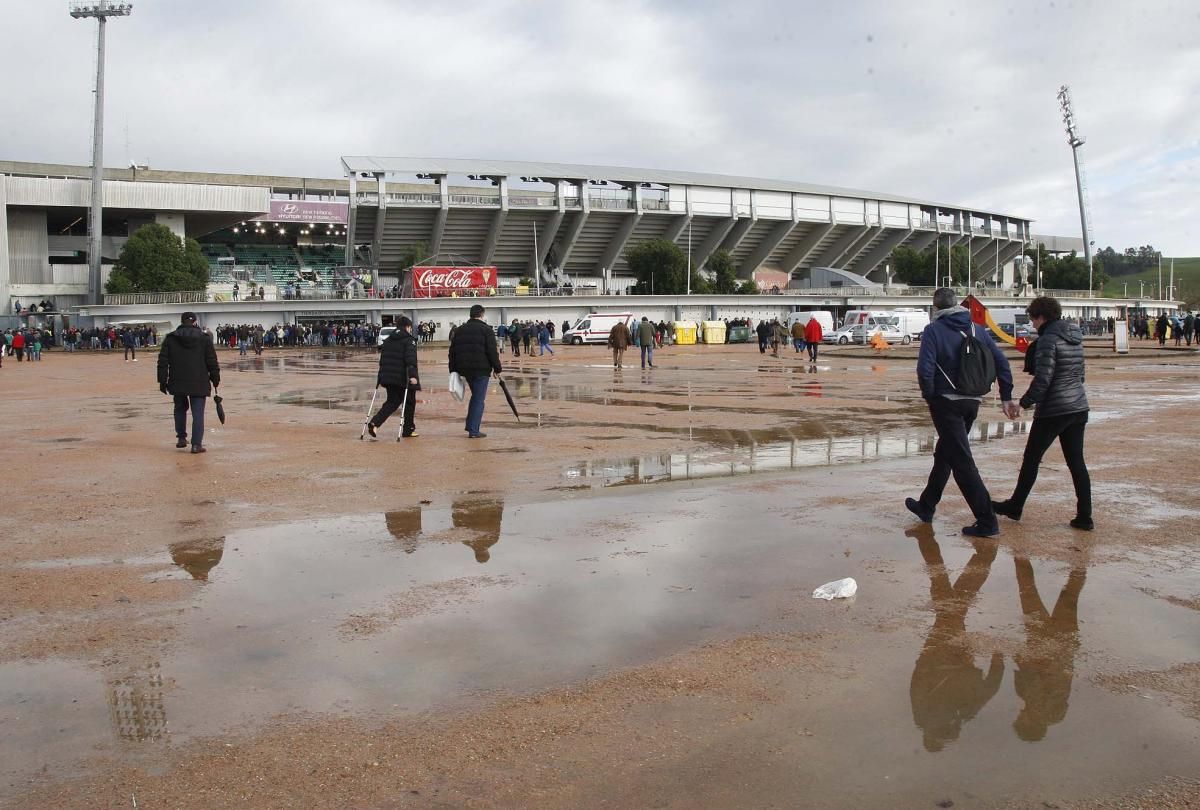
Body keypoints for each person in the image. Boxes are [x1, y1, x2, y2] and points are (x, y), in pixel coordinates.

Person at [906, 288, 1015, 537]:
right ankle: (927, 505)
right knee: (946, 453)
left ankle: (987, 520)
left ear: (935, 308)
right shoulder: (977, 328)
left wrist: (929, 395)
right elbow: (1001, 362)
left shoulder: (933, 330)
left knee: (962, 462)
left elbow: (925, 369)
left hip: (946, 402)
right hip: (972, 401)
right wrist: (1006, 395)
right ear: (957, 304)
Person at [992, 296, 1093, 530]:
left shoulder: (1048, 339)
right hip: (1078, 406)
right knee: (1076, 462)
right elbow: (1080, 374)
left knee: (1032, 459)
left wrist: (1023, 403)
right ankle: (1085, 515)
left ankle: (1015, 506)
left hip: (1054, 409)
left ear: (1041, 316)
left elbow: (1044, 378)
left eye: (1033, 319)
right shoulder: (1075, 336)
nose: (1032, 324)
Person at [157, 312, 221, 454]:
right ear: (195, 322)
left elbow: (163, 361)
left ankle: (181, 438)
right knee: (198, 413)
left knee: (179, 409)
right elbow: (212, 360)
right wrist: (215, 378)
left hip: (177, 379)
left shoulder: (171, 338)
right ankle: (196, 445)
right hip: (199, 380)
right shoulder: (204, 338)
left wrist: (162, 381)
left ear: (181, 321)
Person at [448, 304, 502, 439]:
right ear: (482, 315)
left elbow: (452, 352)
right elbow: (492, 352)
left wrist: (453, 370)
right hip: (481, 369)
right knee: (479, 399)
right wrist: (497, 368)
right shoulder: (486, 330)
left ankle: (470, 425)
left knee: (475, 397)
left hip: (464, 369)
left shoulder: (459, 330)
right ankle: (473, 430)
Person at [367, 316, 420, 439]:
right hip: (403, 377)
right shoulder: (409, 340)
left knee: (392, 402)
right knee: (409, 402)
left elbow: (382, 360)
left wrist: (380, 377)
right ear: (407, 327)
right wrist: (412, 376)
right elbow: (410, 359)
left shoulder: (388, 340)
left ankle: (375, 423)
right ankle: (408, 429)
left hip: (388, 377)